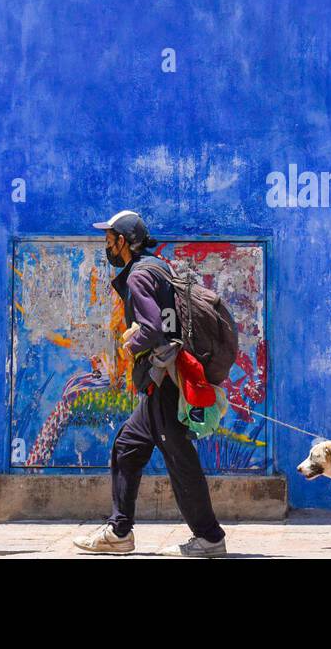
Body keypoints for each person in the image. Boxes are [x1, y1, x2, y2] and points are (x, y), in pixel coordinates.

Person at [72, 210, 228, 557]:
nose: (107, 246)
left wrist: (130, 339)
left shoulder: (139, 276)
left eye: (109, 240)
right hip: (167, 377)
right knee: (128, 446)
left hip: (163, 381)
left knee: (179, 459)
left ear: (123, 242)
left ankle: (210, 537)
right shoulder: (160, 266)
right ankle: (119, 531)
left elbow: (153, 327)